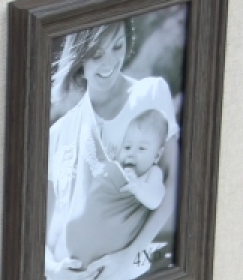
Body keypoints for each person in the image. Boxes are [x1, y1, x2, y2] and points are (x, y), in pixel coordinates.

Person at [44, 19, 179, 280]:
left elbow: (175, 183)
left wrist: (128, 256)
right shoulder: (59, 133)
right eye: (96, 54)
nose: (109, 63)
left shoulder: (150, 95)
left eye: (117, 46)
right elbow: (39, 229)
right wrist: (54, 271)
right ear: (80, 58)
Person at [62, 108, 169, 269]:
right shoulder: (121, 167)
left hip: (113, 242)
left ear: (157, 156)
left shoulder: (152, 173)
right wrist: (111, 163)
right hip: (82, 238)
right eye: (127, 147)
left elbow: (156, 199)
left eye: (141, 149)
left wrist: (139, 188)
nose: (131, 154)